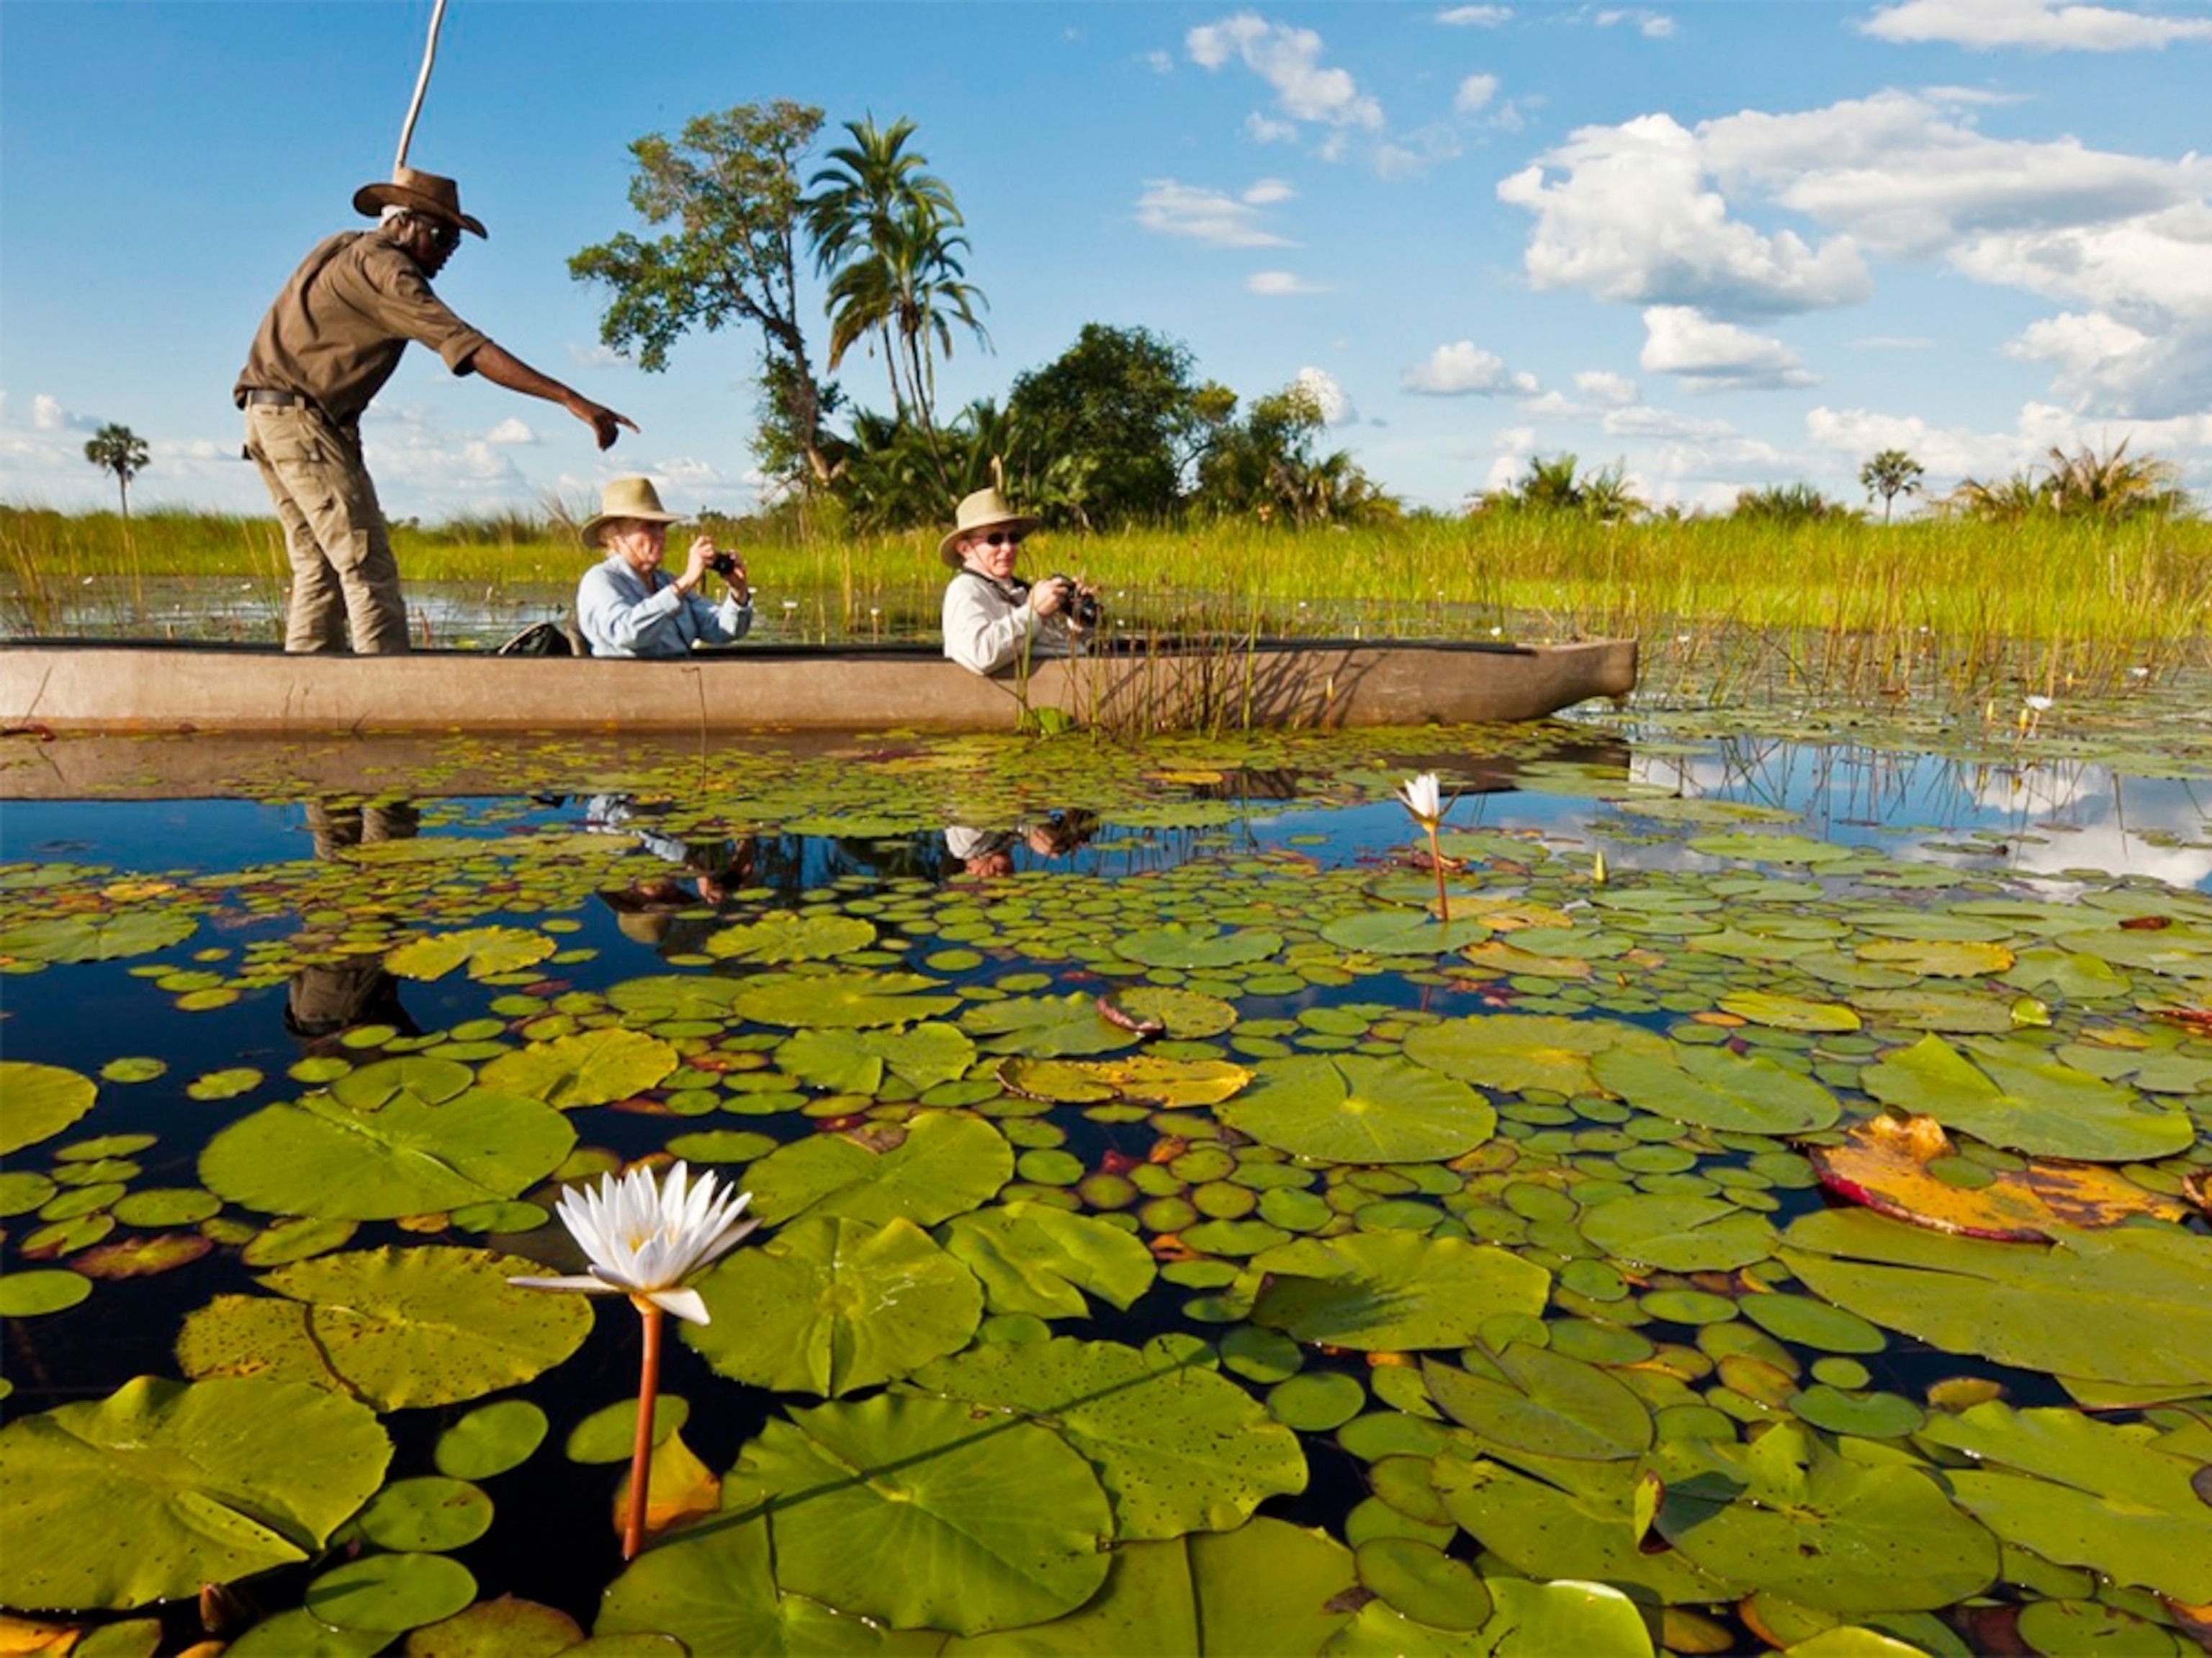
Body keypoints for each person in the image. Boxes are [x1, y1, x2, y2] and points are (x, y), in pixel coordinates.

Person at [236, 166, 636, 655]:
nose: (448, 254)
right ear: (407, 226)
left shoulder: (343, 245)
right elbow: (468, 346)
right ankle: (390, 692)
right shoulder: (388, 272)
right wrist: (571, 398)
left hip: (269, 418)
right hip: (303, 423)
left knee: (320, 566)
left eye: (454, 244)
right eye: (444, 238)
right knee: (368, 566)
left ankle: (303, 684)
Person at [575, 477, 754, 658]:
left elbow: (721, 629)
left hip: (682, 679)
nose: (660, 535)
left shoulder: (665, 581)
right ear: (615, 535)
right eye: (649, 527)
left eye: (662, 527)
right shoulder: (600, 580)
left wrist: (738, 593)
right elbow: (628, 634)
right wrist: (684, 583)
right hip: (627, 682)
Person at [939, 486, 1096, 675]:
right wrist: (1034, 612)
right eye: (995, 539)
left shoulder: (1020, 589)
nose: (1008, 548)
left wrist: (1078, 619)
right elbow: (981, 655)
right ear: (965, 549)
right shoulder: (965, 590)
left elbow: (1061, 647)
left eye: (1013, 538)